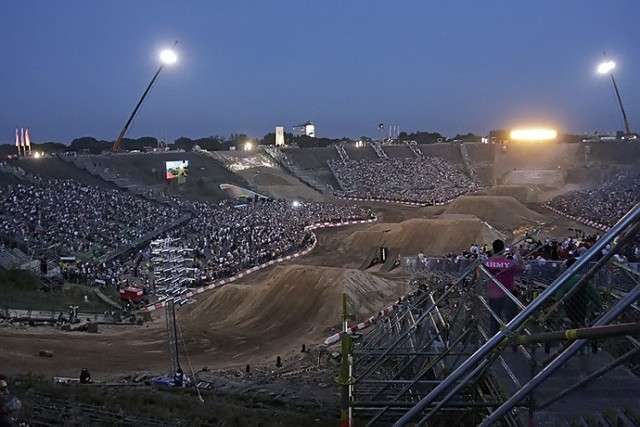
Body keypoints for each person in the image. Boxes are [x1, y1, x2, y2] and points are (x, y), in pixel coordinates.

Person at [483, 239, 525, 336]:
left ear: (493, 249)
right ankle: (514, 344)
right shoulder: (510, 263)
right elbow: (523, 267)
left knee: (494, 320)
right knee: (512, 320)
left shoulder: (487, 263)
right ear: (503, 249)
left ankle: (492, 344)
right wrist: (516, 253)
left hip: (493, 295)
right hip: (508, 294)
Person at [556, 258, 602, 328]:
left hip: (567, 313)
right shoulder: (586, 281)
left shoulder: (563, 282)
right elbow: (596, 297)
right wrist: (599, 306)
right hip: (583, 313)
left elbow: (559, 298)